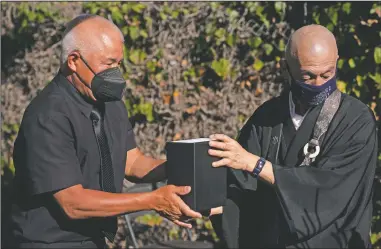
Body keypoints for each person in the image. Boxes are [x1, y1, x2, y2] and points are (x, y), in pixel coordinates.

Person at [6, 14, 202, 249]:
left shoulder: (110, 103)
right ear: (74, 61)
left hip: (94, 239)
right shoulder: (48, 115)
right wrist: (153, 200)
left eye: (119, 63)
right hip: (48, 242)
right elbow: (73, 203)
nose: (116, 73)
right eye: (108, 64)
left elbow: (132, 162)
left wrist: (186, 166)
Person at [208, 24, 378, 248]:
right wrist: (211, 204)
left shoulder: (356, 120)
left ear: (336, 62)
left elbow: (326, 190)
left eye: (327, 74)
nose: (319, 85)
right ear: (285, 68)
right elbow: (240, 186)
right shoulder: (267, 116)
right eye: (307, 77)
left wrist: (257, 165)